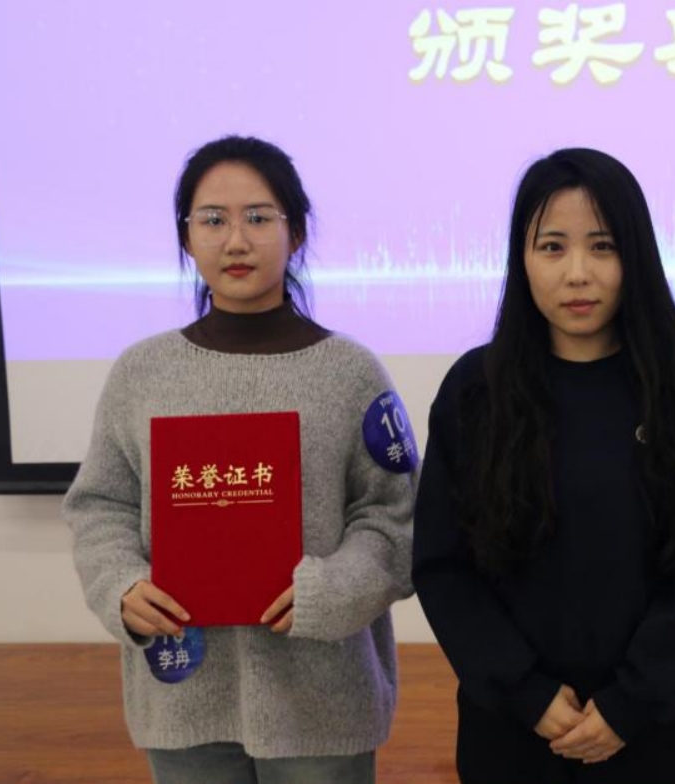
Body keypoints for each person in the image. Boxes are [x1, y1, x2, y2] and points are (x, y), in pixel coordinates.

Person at [63, 135, 416, 784]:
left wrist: (333, 590)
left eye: (258, 217)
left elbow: (395, 516)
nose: (235, 240)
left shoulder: (350, 372)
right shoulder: (142, 372)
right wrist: (120, 585)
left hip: (321, 697)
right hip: (183, 690)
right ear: (186, 236)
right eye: (212, 220)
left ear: (296, 232)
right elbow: (100, 505)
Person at [411, 147, 675, 784]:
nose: (578, 274)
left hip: (648, 734)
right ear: (521, 259)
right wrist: (525, 692)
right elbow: (443, 565)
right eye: (552, 247)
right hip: (510, 732)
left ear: (637, 257)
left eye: (603, 247)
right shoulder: (475, 391)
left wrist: (631, 703)